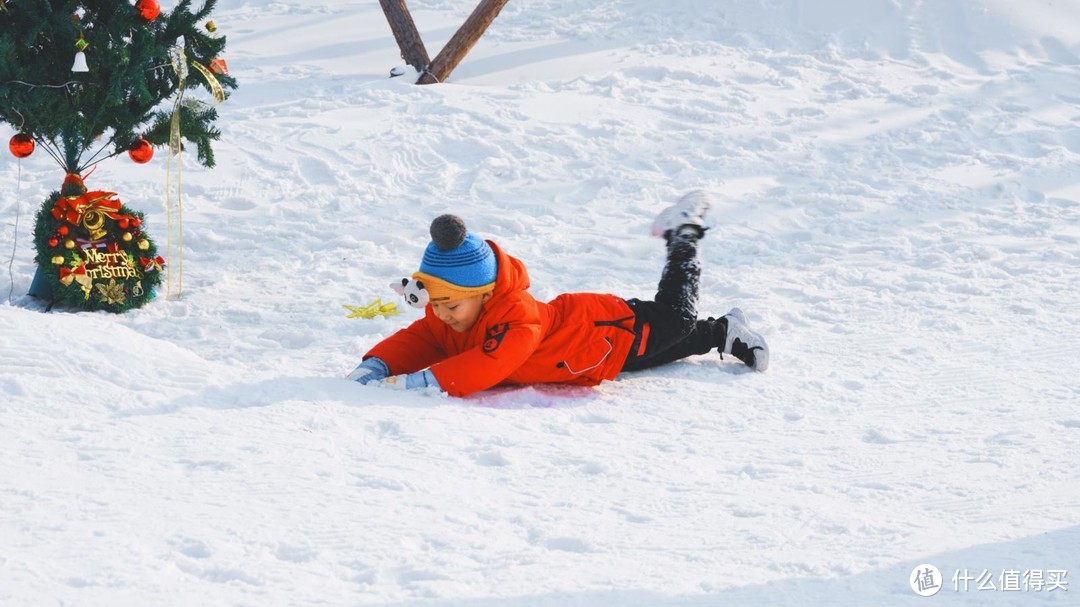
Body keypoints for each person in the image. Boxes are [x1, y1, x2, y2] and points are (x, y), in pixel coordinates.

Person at [347, 190, 769, 397]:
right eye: (436, 305)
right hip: (595, 362)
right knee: (668, 347)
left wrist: (424, 382)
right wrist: (379, 363)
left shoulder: (519, 318)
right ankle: (723, 331)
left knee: (672, 322)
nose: (442, 315)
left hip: (610, 330)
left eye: (451, 305)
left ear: (485, 293)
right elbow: (420, 339)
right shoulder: (450, 315)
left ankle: (684, 234)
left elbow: (491, 363)